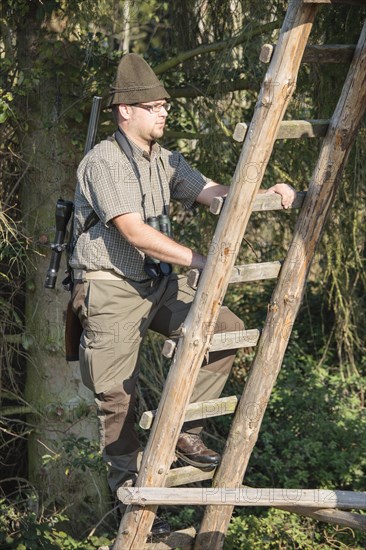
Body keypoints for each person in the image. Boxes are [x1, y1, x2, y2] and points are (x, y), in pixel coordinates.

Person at [70, 54, 295, 504]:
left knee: (225, 329)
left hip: (156, 283)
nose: (163, 111)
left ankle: (184, 431)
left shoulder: (166, 160)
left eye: (165, 105)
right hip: (111, 286)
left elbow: (213, 193)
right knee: (118, 400)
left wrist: (263, 192)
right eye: (153, 105)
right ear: (125, 111)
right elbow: (134, 232)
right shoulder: (104, 161)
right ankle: (135, 498)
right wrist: (202, 261)